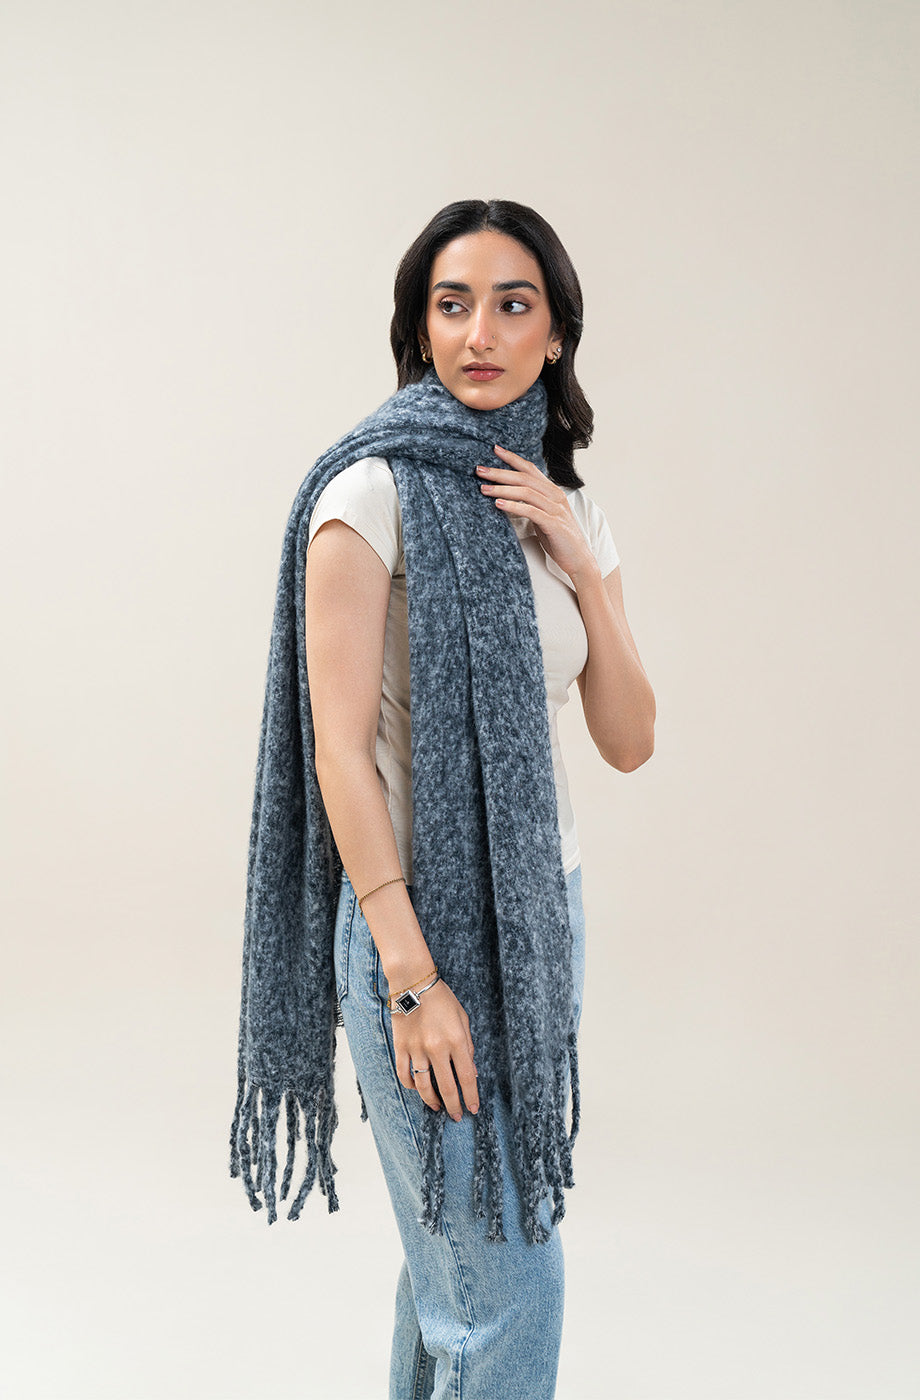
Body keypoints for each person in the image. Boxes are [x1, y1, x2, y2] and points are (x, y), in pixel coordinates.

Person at [230, 199, 655, 1400]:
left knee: (457, 1273)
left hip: (543, 914)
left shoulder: (566, 505)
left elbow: (628, 738)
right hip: (409, 922)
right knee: (504, 1279)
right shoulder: (368, 491)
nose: (480, 332)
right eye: (452, 304)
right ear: (419, 326)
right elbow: (338, 755)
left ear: (555, 333)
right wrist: (410, 977)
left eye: (513, 305)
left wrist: (582, 566)